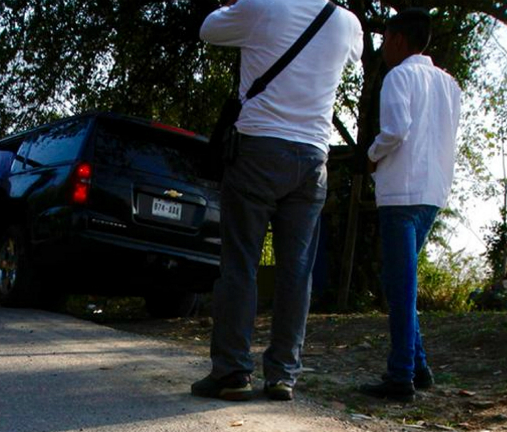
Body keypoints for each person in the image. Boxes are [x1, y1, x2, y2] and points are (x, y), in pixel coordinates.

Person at [192, 0, 363, 401]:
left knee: (240, 262)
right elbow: (354, 55)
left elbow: (208, 29)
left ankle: (233, 371)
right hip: (313, 159)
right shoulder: (346, 21)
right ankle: (283, 374)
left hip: (258, 150)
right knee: (296, 271)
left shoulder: (261, 7)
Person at [360, 9, 462, 403]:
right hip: (433, 193)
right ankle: (417, 366)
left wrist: (371, 155)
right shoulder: (449, 84)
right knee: (402, 282)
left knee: (401, 286)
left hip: (401, 191)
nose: (384, 49)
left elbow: (396, 130)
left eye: (385, 41)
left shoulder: (398, 76)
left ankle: (401, 374)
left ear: (400, 41)